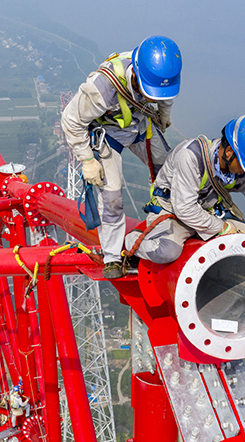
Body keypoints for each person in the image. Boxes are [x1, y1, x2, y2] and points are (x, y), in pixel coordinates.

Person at [124, 114, 245, 278]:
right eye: (244, 166)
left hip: (208, 212)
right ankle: (133, 240)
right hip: (174, 212)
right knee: (166, 252)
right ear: (229, 152)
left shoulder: (244, 171)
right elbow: (184, 209)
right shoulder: (191, 156)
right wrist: (222, 228)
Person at [61, 35, 182, 279]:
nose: (153, 95)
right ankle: (113, 256)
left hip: (139, 125)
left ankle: (170, 223)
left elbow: (165, 94)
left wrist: (163, 113)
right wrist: (87, 159)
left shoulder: (160, 74)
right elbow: (71, 120)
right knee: (112, 196)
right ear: (136, 75)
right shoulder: (103, 87)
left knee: (170, 171)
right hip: (109, 133)